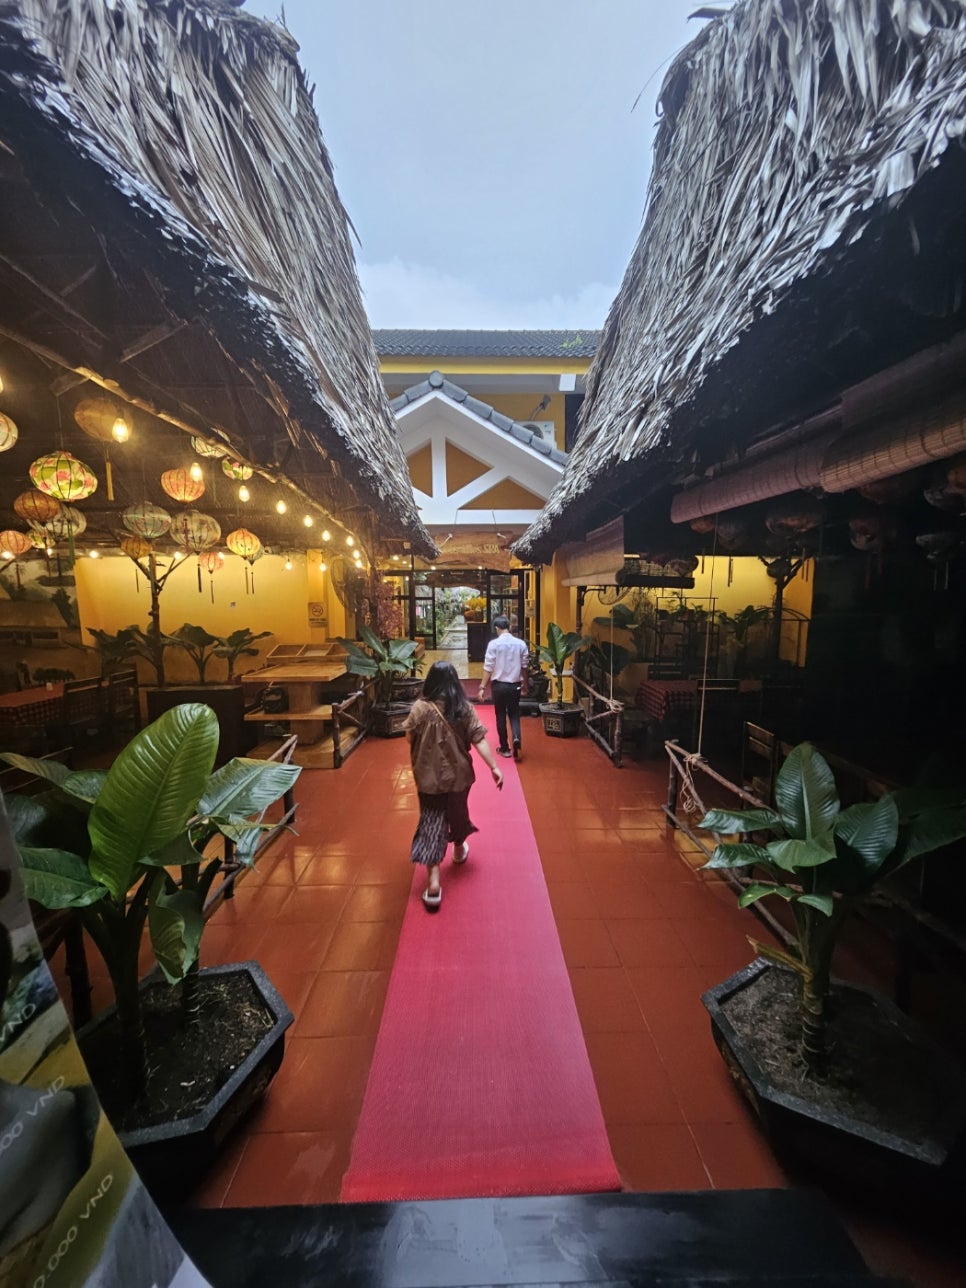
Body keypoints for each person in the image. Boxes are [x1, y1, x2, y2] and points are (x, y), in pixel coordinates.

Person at [404, 661, 503, 910]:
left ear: (430, 682)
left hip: (428, 778)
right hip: (459, 776)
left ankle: (433, 883)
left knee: (431, 821)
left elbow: (409, 737)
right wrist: (494, 767)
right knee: (458, 812)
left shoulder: (420, 708)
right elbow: (479, 738)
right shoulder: (463, 708)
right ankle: (458, 849)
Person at [478, 615, 529, 760]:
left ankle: (505, 748)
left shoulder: (493, 644)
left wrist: (482, 687)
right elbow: (525, 666)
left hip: (499, 686)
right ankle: (516, 737)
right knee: (514, 713)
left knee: (500, 715)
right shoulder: (521, 644)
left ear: (496, 628)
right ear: (509, 627)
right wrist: (525, 683)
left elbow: (488, 668)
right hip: (514, 686)